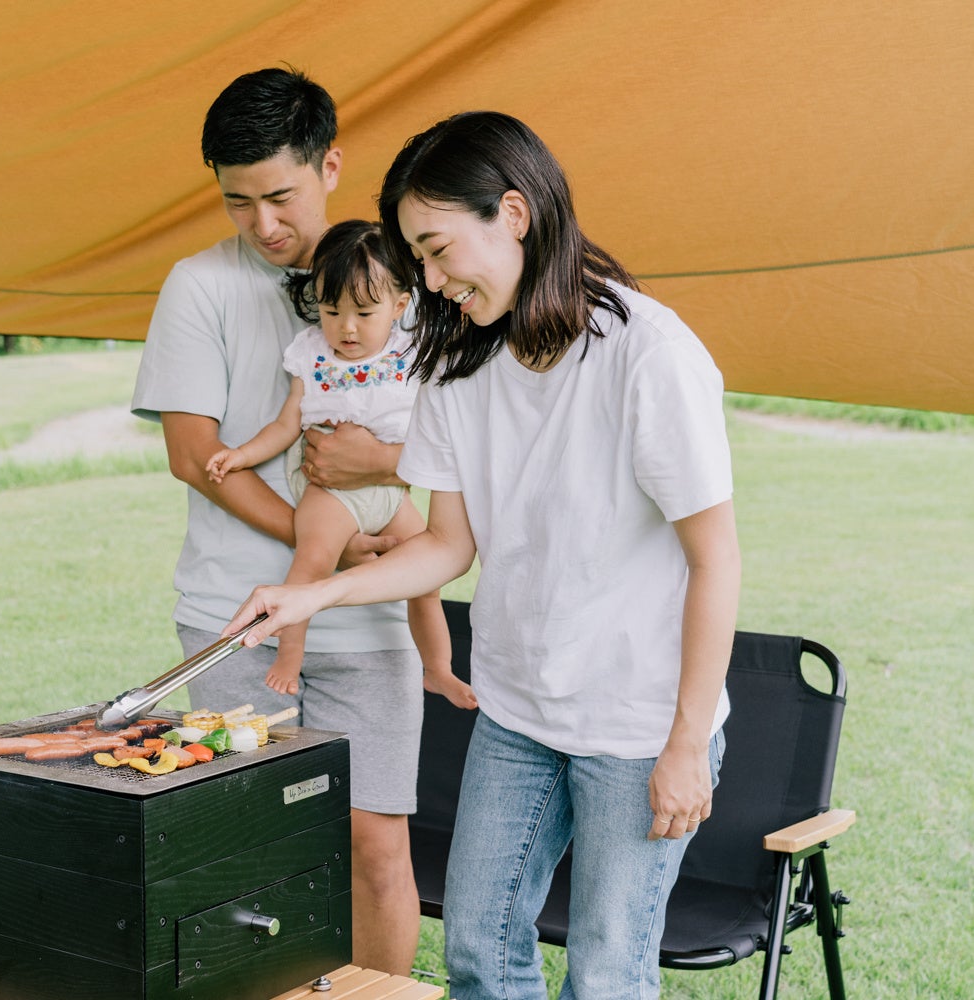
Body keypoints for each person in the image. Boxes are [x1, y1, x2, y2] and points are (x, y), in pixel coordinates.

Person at [222, 111, 740, 1000]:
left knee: (607, 976)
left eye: (436, 250)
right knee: (478, 950)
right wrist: (310, 598)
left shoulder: (649, 356)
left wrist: (688, 740)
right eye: (415, 260)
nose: (428, 280)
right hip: (518, 711)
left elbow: (715, 560)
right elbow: (447, 545)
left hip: (636, 723)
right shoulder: (460, 367)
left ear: (513, 213)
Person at [130, 68, 424, 976]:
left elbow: (459, 442)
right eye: (237, 202)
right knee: (248, 859)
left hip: (371, 621)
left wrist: (372, 495)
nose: (263, 225)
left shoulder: (411, 278)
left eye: (282, 196)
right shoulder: (197, 286)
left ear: (331, 165)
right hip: (237, 619)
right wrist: (318, 527)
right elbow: (193, 453)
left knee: (376, 851)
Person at [204, 219, 477, 711]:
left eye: (364, 313)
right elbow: (287, 425)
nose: (346, 327)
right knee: (310, 565)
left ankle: (437, 669)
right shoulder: (312, 355)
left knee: (427, 577)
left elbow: (439, 431)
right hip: (330, 493)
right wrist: (241, 454)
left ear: (398, 306)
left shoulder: (413, 352)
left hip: (389, 495)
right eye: (332, 310)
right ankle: (289, 654)